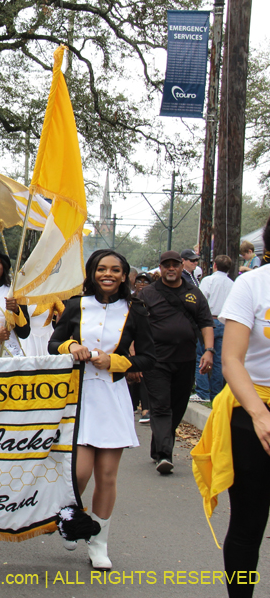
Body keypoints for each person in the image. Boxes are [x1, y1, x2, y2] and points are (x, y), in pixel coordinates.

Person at [48, 249, 155, 570]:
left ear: (124, 276)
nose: (108, 274)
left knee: (107, 476)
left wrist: (117, 362)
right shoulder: (75, 305)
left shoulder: (135, 310)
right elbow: (54, 343)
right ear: (92, 273)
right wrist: (72, 346)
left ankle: (99, 544)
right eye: (101, 269)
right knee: (79, 473)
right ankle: (71, 521)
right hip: (78, 397)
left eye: (116, 270)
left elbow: (149, 357)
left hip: (113, 396)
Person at [192, 218, 270, 598]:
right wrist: (259, 414)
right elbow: (233, 361)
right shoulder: (253, 284)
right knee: (247, 524)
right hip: (251, 416)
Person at [137, 250, 214, 475]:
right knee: (161, 405)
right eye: (166, 265)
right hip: (156, 360)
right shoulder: (148, 294)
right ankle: (164, 455)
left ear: (182, 267)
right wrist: (134, 352)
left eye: (174, 265)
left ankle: (159, 444)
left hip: (186, 359)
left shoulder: (194, 294)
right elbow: (135, 324)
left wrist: (208, 351)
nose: (170, 269)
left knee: (178, 406)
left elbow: (206, 322)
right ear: (160, 269)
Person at [194, 255, 235, 403]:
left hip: (209, 320)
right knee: (218, 360)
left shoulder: (208, 280)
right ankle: (216, 393)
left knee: (201, 354)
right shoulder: (232, 283)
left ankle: (202, 391)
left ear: (215, 266)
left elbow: (201, 299)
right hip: (225, 322)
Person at [130, 272, 154, 425]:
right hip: (130, 341)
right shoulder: (129, 301)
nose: (142, 284)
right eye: (139, 281)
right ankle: (131, 407)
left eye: (146, 281)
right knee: (132, 376)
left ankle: (146, 409)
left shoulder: (153, 300)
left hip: (146, 342)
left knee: (144, 375)